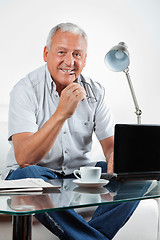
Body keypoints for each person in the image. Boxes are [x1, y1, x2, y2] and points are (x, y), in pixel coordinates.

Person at [2, 22, 139, 240]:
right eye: (61, 52)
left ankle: (88, 236)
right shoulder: (25, 90)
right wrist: (61, 113)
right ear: (46, 54)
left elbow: (110, 146)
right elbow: (25, 158)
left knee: (137, 175)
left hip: (78, 177)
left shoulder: (96, 91)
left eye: (77, 54)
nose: (70, 62)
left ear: (85, 59)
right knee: (29, 174)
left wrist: (116, 159)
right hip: (35, 176)